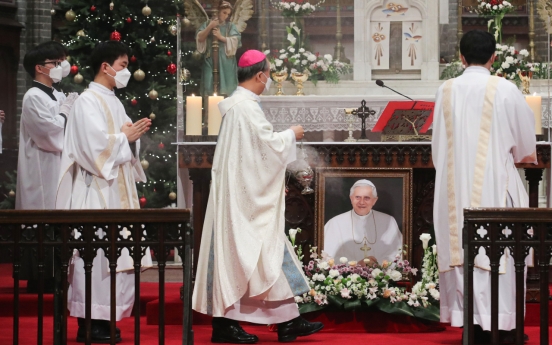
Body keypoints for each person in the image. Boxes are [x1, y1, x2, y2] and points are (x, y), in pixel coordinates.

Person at [192, 50, 323, 344]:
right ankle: (225, 326)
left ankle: (288, 320)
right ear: (260, 75)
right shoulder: (245, 109)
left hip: (244, 192)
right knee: (249, 255)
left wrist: (273, 182)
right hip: (242, 200)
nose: (269, 80)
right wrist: (292, 133)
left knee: (267, 253)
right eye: (269, 74)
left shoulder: (240, 106)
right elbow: (268, 147)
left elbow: (250, 158)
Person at [432, 30, 537, 343]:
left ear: (461, 58)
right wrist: (521, 154)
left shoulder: (445, 89)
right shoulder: (504, 88)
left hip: (453, 188)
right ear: (494, 57)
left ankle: (472, 325)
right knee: (501, 252)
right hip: (496, 184)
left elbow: (437, 144)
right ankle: (503, 327)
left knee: (463, 250)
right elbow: (524, 143)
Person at [56, 41, 152, 343]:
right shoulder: (87, 101)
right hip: (96, 189)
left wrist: (131, 140)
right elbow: (92, 147)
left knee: (118, 255)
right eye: (123, 66)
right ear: (105, 67)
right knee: (96, 257)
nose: (127, 72)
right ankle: (91, 321)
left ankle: (108, 318)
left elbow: (122, 141)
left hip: (118, 187)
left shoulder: (113, 99)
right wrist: (124, 138)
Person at [323, 179, 402, 264]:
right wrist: (356, 265)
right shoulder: (335, 223)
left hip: (382, 275)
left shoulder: (388, 221)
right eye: (357, 197)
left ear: (374, 200)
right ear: (351, 198)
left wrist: (378, 266)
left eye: (367, 198)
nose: (361, 202)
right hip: (346, 276)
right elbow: (328, 257)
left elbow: (398, 254)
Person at [196, 0, 240, 96]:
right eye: (224, 13)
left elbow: (236, 40)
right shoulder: (207, 23)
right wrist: (210, 27)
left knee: (226, 89)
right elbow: (200, 38)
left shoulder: (230, 26)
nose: (226, 16)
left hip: (226, 60)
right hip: (210, 58)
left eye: (228, 14)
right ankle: (208, 107)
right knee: (208, 85)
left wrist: (221, 37)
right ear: (218, 11)